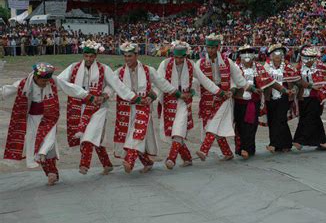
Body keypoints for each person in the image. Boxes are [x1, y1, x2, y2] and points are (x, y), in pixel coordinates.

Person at [58, 40, 140, 175]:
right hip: (78, 107)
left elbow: (116, 85)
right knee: (97, 137)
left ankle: (84, 164)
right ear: (83, 55)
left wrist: (109, 95)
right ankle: (107, 164)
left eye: (91, 56)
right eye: (86, 56)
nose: (89, 59)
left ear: (96, 56)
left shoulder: (104, 69)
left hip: (99, 108)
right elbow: (60, 81)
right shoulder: (73, 67)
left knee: (89, 135)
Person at [1, 63, 91, 185]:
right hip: (33, 119)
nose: (45, 83)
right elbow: (7, 90)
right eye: (43, 80)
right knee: (37, 146)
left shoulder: (53, 80)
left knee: (48, 143)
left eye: (47, 80)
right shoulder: (24, 83)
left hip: (50, 117)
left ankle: (51, 172)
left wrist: (87, 96)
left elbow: (69, 87)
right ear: (36, 77)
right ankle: (51, 173)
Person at [157, 41, 223, 169]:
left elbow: (204, 80)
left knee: (179, 128)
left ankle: (171, 158)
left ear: (186, 56)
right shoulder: (164, 64)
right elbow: (160, 82)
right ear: (173, 55)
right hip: (169, 101)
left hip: (184, 101)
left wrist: (219, 92)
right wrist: (175, 93)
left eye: (181, 57)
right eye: (176, 57)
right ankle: (187, 157)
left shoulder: (191, 65)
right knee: (172, 131)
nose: (179, 60)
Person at [113, 42, 176, 173]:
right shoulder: (119, 72)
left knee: (137, 133)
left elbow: (162, 84)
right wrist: (103, 96)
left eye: (130, 56)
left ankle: (129, 161)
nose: (127, 59)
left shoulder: (148, 70)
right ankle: (147, 162)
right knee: (136, 136)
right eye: (125, 56)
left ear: (136, 55)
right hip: (126, 109)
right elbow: (111, 87)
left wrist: (174, 93)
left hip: (144, 108)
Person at [195, 33, 248, 161]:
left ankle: (204, 150)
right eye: (208, 47)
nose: (210, 50)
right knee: (216, 126)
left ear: (218, 47)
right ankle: (228, 153)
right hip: (208, 97)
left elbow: (238, 78)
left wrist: (239, 89)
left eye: (213, 48)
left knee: (214, 123)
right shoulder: (200, 63)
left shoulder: (227, 61)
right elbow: (195, 80)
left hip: (225, 96)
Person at [233, 44, 286, 159]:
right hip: (240, 102)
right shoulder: (236, 67)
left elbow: (269, 80)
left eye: (249, 53)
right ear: (240, 56)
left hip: (253, 102)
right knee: (240, 126)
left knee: (251, 125)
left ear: (253, 56)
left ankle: (248, 149)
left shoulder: (258, 67)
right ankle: (241, 148)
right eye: (244, 53)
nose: (247, 55)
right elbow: (232, 84)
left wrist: (283, 89)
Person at [293, 46, 326, 151]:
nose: (308, 60)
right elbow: (296, 80)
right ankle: (320, 141)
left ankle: (301, 140)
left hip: (316, 96)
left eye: (311, 57)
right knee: (304, 118)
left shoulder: (320, 67)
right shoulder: (299, 68)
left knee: (313, 117)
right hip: (302, 97)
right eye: (305, 57)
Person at [263, 43, 300, 153]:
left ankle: (274, 144)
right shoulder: (266, 67)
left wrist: (294, 90)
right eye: (275, 53)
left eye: (280, 53)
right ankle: (284, 144)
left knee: (280, 119)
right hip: (270, 97)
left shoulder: (288, 67)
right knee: (273, 120)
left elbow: (296, 80)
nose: (277, 55)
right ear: (271, 56)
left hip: (284, 96)